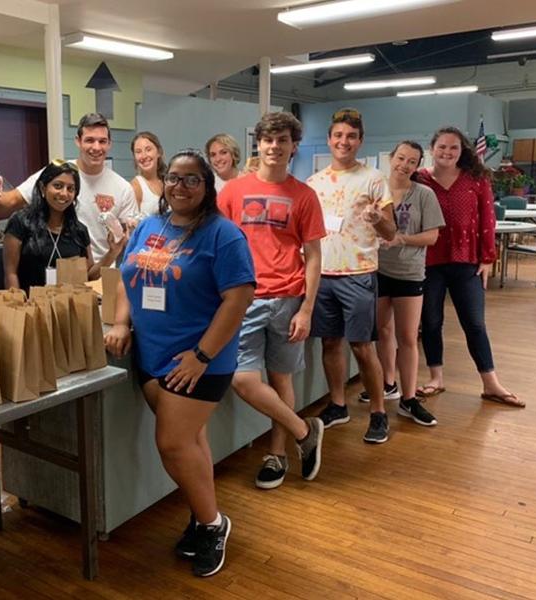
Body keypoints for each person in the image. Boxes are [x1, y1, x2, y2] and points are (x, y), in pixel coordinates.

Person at [104, 150, 255, 578]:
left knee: (172, 444)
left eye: (192, 179)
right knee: (190, 443)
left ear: (207, 187)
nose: (180, 186)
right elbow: (126, 277)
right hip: (151, 355)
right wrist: (121, 322)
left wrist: (202, 355)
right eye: (173, 178)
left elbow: (238, 299)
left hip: (198, 361)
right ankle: (201, 514)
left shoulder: (223, 235)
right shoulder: (150, 225)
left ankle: (212, 524)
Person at [217, 112, 326, 489]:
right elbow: (217, 244)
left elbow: (314, 255)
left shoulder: (304, 195)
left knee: (282, 379)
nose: (274, 147)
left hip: (288, 299)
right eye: (268, 140)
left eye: (282, 140)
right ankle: (304, 431)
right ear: (258, 144)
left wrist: (307, 309)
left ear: (294, 146)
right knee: (243, 379)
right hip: (243, 299)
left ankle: (276, 455)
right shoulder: (232, 192)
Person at [306, 108, 397, 444]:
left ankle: (378, 412)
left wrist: (377, 219)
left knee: (361, 346)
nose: (344, 142)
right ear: (329, 139)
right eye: (338, 136)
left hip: (357, 274)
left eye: (351, 136)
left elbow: (391, 232)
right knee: (330, 343)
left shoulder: (373, 179)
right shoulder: (313, 183)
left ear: (360, 141)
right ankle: (338, 404)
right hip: (322, 274)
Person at [416, 127, 523, 407]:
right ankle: (435, 378)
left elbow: (488, 219)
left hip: (467, 261)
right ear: (432, 149)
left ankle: (491, 383)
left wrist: (487, 257)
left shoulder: (476, 178)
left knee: (475, 323)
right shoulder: (419, 179)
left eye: (453, 147)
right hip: (429, 262)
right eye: (442, 147)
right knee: (431, 322)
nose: (447, 152)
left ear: (462, 150)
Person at [360, 141, 445, 427]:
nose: (404, 165)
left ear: (418, 165)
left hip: (409, 272)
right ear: (390, 158)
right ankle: (388, 383)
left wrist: (401, 239)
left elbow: (432, 236)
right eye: (400, 158)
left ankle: (409, 399)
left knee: (407, 336)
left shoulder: (424, 194)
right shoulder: (375, 190)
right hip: (376, 269)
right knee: (382, 330)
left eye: (411, 161)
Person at [0, 112, 138, 260]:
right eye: (90, 140)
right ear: (78, 141)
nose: (96, 147)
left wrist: (133, 230)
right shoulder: (58, 173)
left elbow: (130, 239)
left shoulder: (123, 188)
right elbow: (9, 202)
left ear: (109, 144)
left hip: (103, 271)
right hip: (61, 266)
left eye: (102, 141)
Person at [2, 160, 125, 290]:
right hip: (31, 301)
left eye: (70, 189)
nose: (64, 193)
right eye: (58, 186)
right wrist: (18, 301)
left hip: (69, 301)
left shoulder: (79, 230)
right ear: (43, 188)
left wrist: (112, 253)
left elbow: (89, 276)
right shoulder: (21, 222)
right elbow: (11, 274)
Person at [130, 131, 166, 218]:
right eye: (138, 152)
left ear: (159, 152)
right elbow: (133, 223)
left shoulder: (166, 181)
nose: (144, 156)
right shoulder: (135, 187)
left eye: (148, 149)